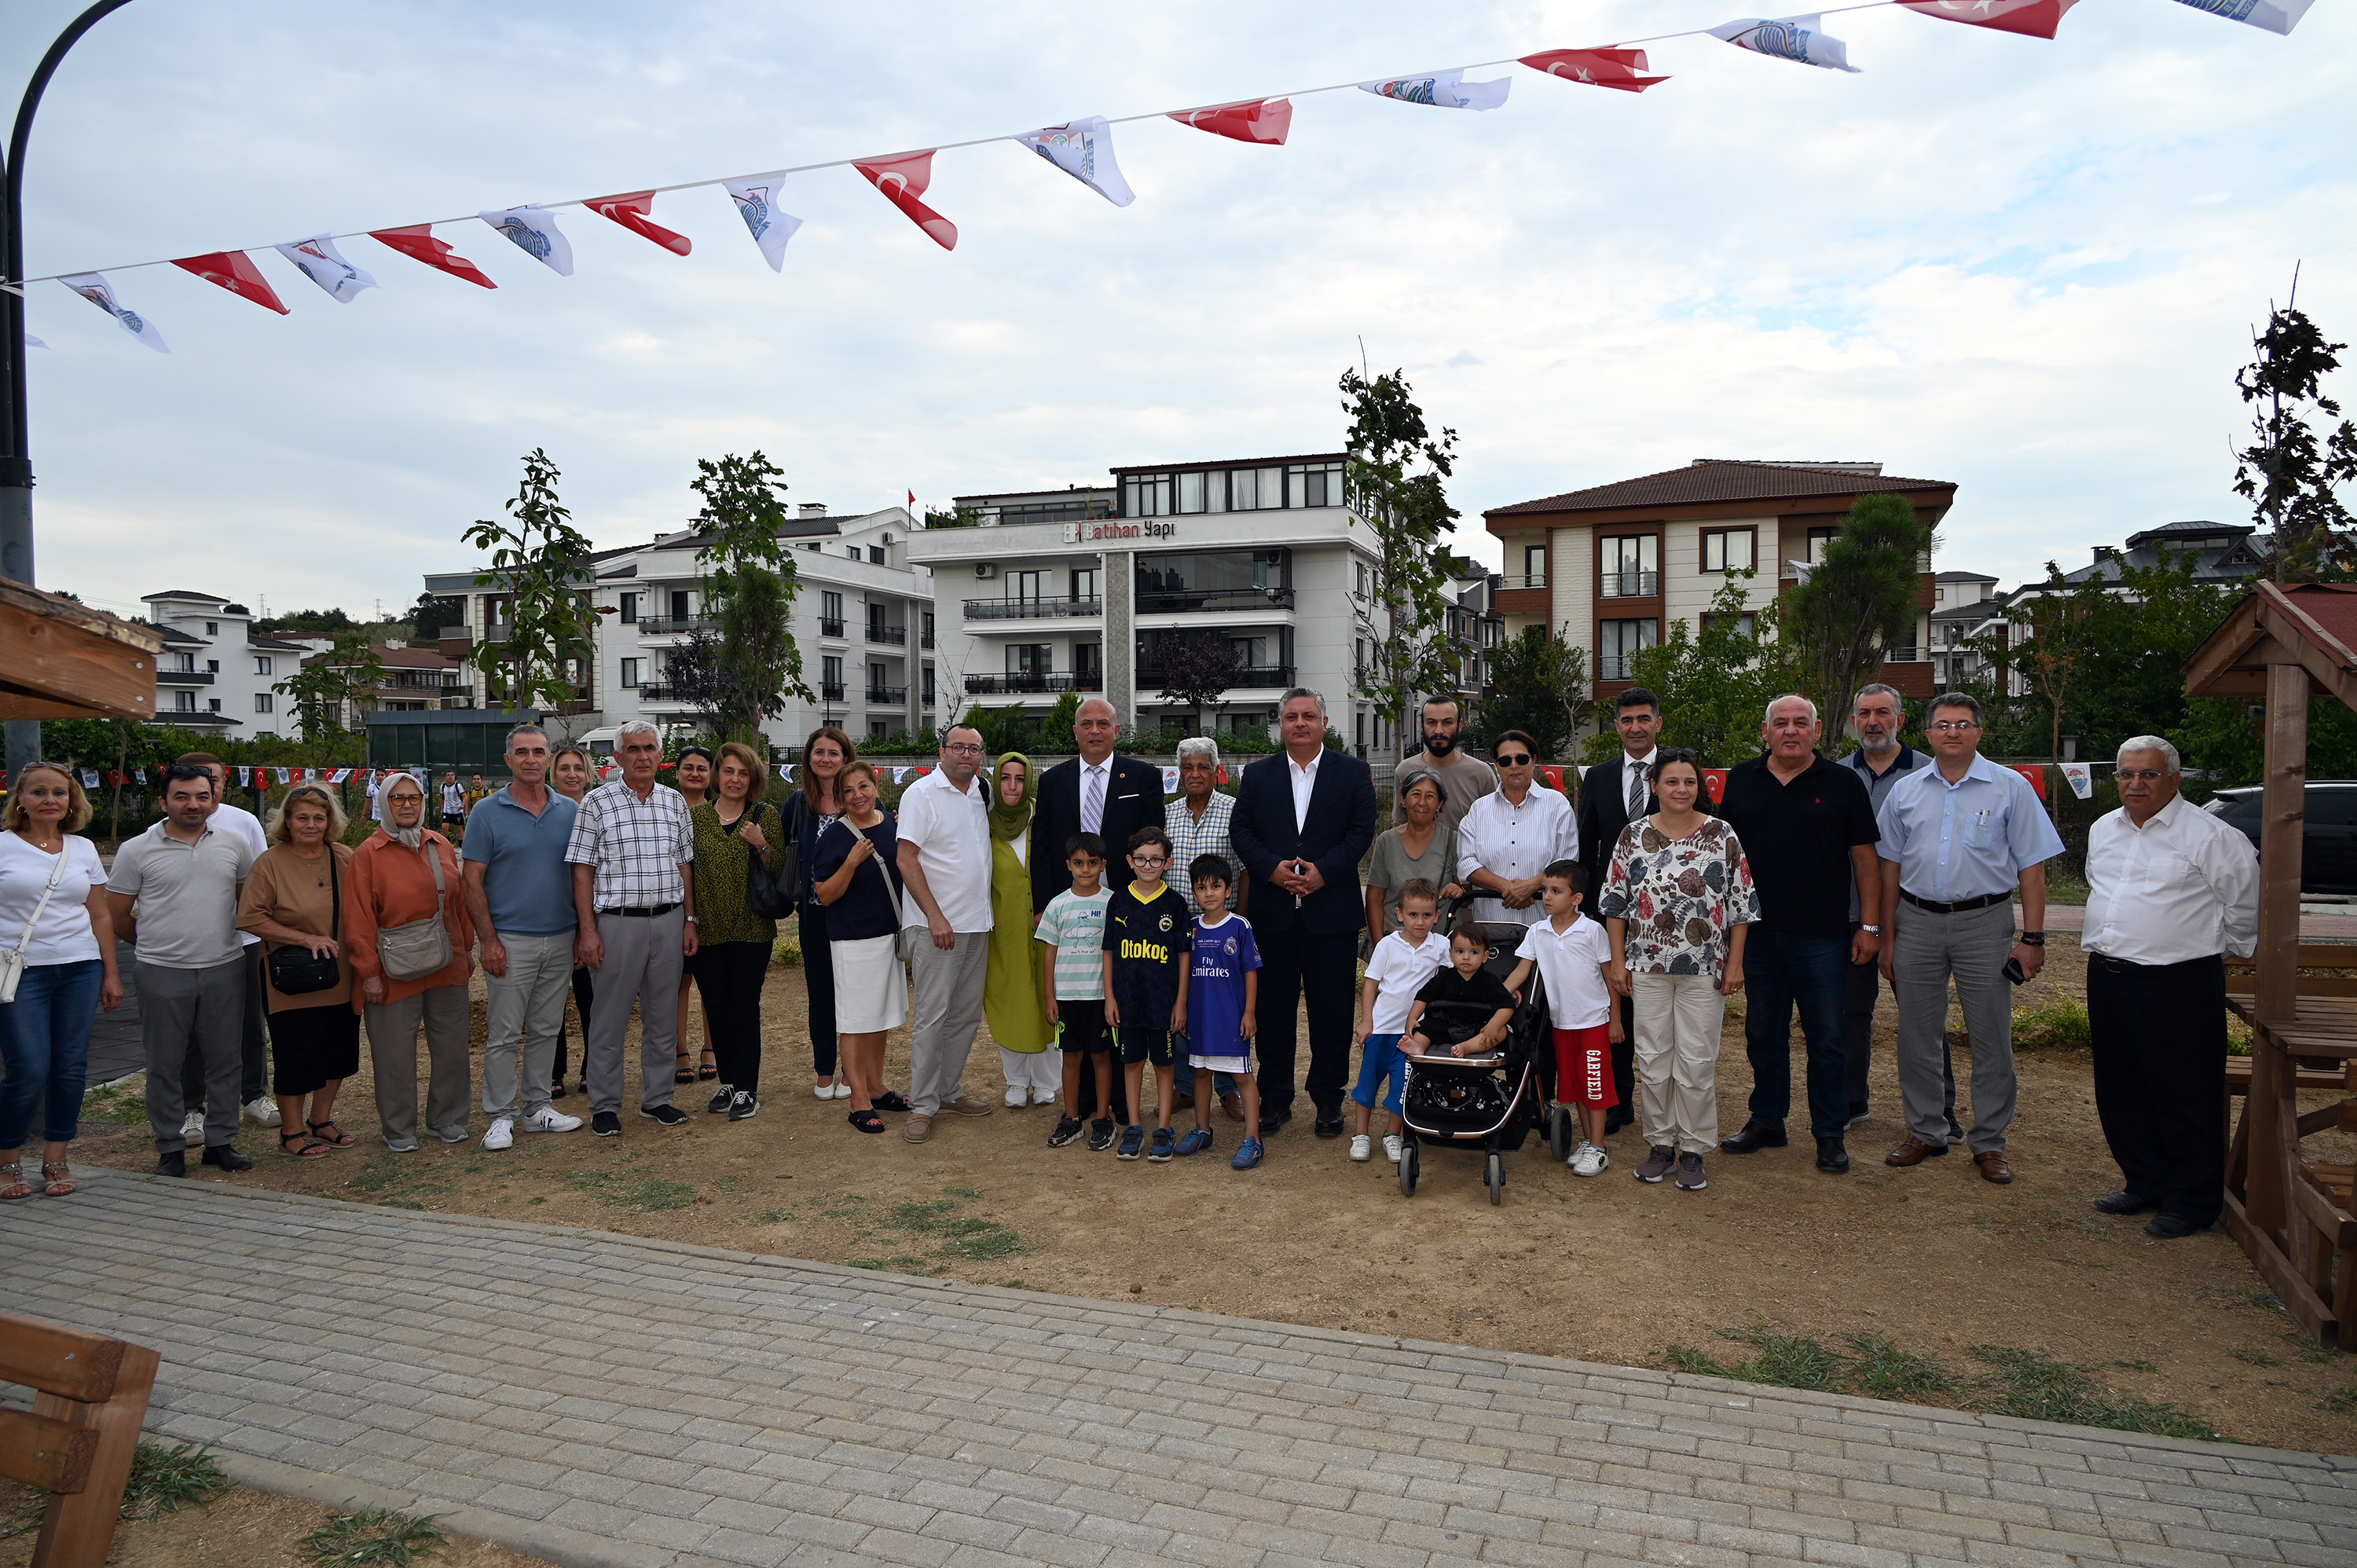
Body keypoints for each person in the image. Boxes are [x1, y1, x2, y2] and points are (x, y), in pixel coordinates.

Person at [1876, 692, 2066, 1184]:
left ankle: (1989, 1142)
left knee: (1990, 1038)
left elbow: (2032, 868)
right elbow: (1889, 867)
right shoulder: (1905, 791)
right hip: (1916, 921)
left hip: (1985, 923)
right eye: (1943, 725)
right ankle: (1927, 1130)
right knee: (1917, 1036)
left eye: (1963, 724)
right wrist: (1889, 937)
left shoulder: (2011, 788)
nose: (1953, 732)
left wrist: (2034, 938)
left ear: (1979, 732)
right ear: (1927, 734)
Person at [2082, 735, 2258, 1238]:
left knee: (2185, 1092)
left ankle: (2191, 1200)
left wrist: (2201, 950)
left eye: (2149, 774)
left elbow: (2245, 908)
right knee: (2121, 1088)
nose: (2135, 783)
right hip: (2110, 975)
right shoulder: (2104, 828)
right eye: (2126, 774)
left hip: (2178, 981)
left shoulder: (2212, 836)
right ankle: (2146, 1182)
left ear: (2175, 779)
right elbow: (2102, 887)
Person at [1716, 695, 1883, 1175]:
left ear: (1818, 730)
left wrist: (1869, 925)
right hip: (1756, 934)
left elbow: (1865, 860)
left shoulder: (1843, 783)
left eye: (1801, 723)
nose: (1791, 730)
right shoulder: (1741, 779)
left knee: (1826, 1038)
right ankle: (1768, 1120)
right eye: (1781, 723)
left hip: (1823, 936)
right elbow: (1724, 858)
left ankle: (1829, 1133)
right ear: (1765, 731)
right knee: (1762, 1033)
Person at [1598, 752, 1758, 1192]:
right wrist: (1617, 962)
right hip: (1646, 967)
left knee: (1696, 1060)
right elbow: (1615, 904)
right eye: (1671, 781)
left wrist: (1735, 963)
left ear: (1700, 787)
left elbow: (1741, 904)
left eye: (1689, 781)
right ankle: (1661, 1144)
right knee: (1653, 1060)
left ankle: (1693, 1149)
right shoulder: (1633, 835)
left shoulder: (1721, 834)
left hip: (1704, 968)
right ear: (1655, 786)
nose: (1681, 790)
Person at [1230, 688, 1378, 1138]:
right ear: (1281, 724)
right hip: (1272, 917)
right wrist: (1270, 870)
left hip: (1330, 916)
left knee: (1332, 1012)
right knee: (1273, 1013)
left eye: (1308, 716)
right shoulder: (1257, 775)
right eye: (1291, 716)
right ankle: (1275, 1099)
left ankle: (1328, 1100)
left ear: (1324, 723)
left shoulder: (1353, 773)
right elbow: (1242, 830)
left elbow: (1361, 831)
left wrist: (1325, 873)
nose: (1300, 723)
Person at [108, 763, 255, 1176]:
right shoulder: (136, 850)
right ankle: (170, 1147)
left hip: (225, 967)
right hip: (162, 971)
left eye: (202, 796)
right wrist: (157, 945)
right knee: (165, 1063)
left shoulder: (234, 844)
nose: (193, 804)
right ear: (163, 802)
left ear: (214, 800)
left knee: (226, 1060)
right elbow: (117, 916)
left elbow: (247, 903)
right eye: (182, 796)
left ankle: (220, 1142)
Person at [1031, 697, 1164, 1123]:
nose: (1094, 730)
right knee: (1081, 1001)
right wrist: (1042, 906)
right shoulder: (1053, 780)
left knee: (1119, 997)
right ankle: (1086, 1096)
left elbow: (1153, 842)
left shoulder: (1143, 777)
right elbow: (1043, 847)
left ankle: (1121, 1098)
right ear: (1075, 731)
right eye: (1086, 723)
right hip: (1071, 911)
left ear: (1117, 730)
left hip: (1127, 908)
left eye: (1103, 723)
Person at [564, 720, 698, 1138]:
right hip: (617, 923)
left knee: (663, 1016)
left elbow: (684, 864)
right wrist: (587, 930)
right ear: (618, 757)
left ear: (661, 755)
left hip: (668, 920)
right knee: (609, 1018)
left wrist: (689, 919)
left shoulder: (674, 802)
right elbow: (582, 870)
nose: (642, 756)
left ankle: (657, 1098)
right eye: (634, 749)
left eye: (649, 748)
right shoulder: (596, 803)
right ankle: (605, 1104)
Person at [460, 724, 586, 1152]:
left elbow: (580, 876)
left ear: (549, 758)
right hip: (510, 941)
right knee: (504, 1033)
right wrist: (489, 941)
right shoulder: (486, 812)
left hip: (561, 937)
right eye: (522, 752)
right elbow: (471, 881)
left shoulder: (570, 811)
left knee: (548, 1028)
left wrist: (581, 932)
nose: (531, 759)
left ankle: (537, 1108)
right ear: (508, 759)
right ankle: (500, 1114)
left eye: (538, 751)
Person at [0, 764, 123, 1200]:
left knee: (70, 1067)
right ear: (20, 799)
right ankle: (8, 1160)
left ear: (72, 800)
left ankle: (56, 1158)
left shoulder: (83, 849)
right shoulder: (3, 847)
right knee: (28, 1067)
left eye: (59, 792)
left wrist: (111, 973)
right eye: (39, 792)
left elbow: (100, 914)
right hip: (21, 972)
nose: (50, 800)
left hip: (80, 967)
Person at [1836, 683, 1948, 1136]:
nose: (1873, 722)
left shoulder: (1931, 773)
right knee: (1850, 1015)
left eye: (1883, 713)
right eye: (1864, 714)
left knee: (1923, 1018)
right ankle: (1851, 1101)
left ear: (1900, 720)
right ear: (1854, 722)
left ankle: (1942, 1111)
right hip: (1851, 913)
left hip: (1916, 914)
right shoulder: (1837, 775)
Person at [347, 772, 477, 1152]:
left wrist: (466, 951)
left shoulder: (440, 844)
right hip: (393, 969)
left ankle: (447, 1118)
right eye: (397, 798)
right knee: (394, 1054)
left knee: (452, 1047)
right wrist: (369, 973)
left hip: (446, 962)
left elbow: (459, 904)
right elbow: (358, 918)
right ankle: (399, 1127)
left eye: (414, 798)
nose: (407, 805)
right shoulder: (368, 854)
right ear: (384, 803)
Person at [237, 785, 362, 1160]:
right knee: (296, 1054)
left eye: (318, 818)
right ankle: (291, 1132)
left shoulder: (344, 857)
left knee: (338, 1053)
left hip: (340, 974)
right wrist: (305, 939)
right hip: (291, 979)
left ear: (329, 822)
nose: (310, 825)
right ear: (287, 822)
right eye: (302, 817)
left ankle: (320, 1121)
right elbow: (249, 918)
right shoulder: (270, 863)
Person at [896, 724, 999, 1143]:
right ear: (942, 752)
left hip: (977, 924)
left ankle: (947, 1090)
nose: (966, 754)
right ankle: (922, 1105)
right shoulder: (921, 794)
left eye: (974, 748)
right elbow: (906, 859)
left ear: (981, 755)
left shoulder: (981, 792)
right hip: (937, 927)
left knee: (965, 1017)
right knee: (932, 1018)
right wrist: (935, 916)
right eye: (958, 747)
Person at [174, 752, 275, 1138]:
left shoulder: (243, 821)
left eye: (213, 780)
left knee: (251, 1022)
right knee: (192, 1030)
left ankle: (255, 1095)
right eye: (196, 783)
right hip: (192, 946)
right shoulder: (163, 830)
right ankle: (191, 1107)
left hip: (244, 940)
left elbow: (261, 879)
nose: (206, 789)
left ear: (223, 781)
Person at [1576, 687, 1662, 1129]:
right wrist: (1586, 908)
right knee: (1616, 1005)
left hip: (1666, 913)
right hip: (1609, 912)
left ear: (1658, 723)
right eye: (1627, 720)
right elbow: (1586, 845)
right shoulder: (1598, 777)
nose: (1635, 727)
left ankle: (1664, 1106)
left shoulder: (1678, 773)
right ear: (1616, 726)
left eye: (1643, 719)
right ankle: (1619, 1101)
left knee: (1658, 1008)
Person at [689, 742, 786, 1123]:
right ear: (717, 775)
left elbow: (779, 872)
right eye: (728, 771)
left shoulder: (764, 815)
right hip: (709, 929)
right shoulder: (696, 818)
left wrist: (762, 845)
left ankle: (747, 1087)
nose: (735, 779)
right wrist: (690, 920)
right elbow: (686, 872)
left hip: (752, 930)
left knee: (744, 1008)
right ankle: (728, 1081)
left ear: (753, 779)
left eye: (743, 773)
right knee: (717, 1008)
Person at [1505, 862, 1623, 1178]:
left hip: (1594, 1022)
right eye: (1545, 890)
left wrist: (1615, 1020)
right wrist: (1497, 997)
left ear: (1576, 898)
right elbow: (1521, 972)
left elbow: (1610, 977)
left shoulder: (1592, 931)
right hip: (1562, 1024)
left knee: (1594, 1085)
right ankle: (1589, 1141)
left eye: (1556, 891)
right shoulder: (1537, 931)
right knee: (1577, 1085)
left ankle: (1599, 1149)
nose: (1547, 896)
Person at [811, 760, 908, 1134]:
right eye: (848, 791)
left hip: (888, 935)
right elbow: (825, 894)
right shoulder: (835, 837)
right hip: (854, 940)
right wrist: (851, 863)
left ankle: (877, 1086)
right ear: (840, 798)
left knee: (880, 1016)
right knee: (856, 1021)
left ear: (876, 787)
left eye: (863, 787)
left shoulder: (892, 824)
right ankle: (858, 1099)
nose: (857, 795)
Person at [1165, 737, 1245, 1119]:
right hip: (1178, 930)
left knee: (1224, 1008)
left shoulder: (1235, 811)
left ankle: (1228, 1088)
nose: (1195, 774)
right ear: (1180, 773)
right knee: (1182, 1005)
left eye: (1203, 767)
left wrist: (1238, 921)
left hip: (1221, 928)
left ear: (1216, 771)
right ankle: (1185, 1086)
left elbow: (1246, 870)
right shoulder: (1167, 814)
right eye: (1188, 768)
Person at [1103, 824, 1191, 1163]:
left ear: (1168, 863)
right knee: (1132, 1062)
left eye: (1156, 859)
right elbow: (1109, 951)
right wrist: (1110, 997)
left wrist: (1181, 1002)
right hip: (1128, 1001)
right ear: (1130, 861)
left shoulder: (1175, 904)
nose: (1148, 865)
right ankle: (1135, 1127)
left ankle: (1164, 1128)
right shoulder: (1119, 901)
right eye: (1141, 859)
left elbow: (1184, 955)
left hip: (1163, 1002)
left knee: (1164, 1064)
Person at [1349, 877, 1449, 1166]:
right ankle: (1361, 1135)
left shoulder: (1442, 946)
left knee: (1402, 1087)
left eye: (1427, 915)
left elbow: (1458, 975)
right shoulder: (1387, 945)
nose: (1420, 922)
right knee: (1368, 1083)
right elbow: (1370, 984)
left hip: (1413, 1035)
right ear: (1400, 914)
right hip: (1382, 1029)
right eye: (1413, 914)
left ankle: (1392, 1135)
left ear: (1437, 916)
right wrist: (1367, 1022)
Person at [783, 726, 856, 1100]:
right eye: (819, 752)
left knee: (854, 996)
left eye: (833, 753)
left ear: (846, 759)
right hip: (814, 917)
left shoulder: (860, 800)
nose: (826, 759)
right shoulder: (798, 804)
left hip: (856, 918)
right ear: (809, 759)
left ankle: (852, 1071)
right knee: (821, 995)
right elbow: (785, 853)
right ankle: (825, 1070)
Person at [984, 754, 1058, 1108]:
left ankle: (1046, 1081)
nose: (1012, 786)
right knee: (1009, 999)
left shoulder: (1042, 816)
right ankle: (1016, 1080)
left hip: (1046, 926)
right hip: (1005, 929)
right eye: (1005, 778)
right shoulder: (983, 823)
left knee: (1047, 998)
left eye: (1019, 778)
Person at [1178, 854, 1260, 1166]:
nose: (1209, 893)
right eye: (1201, 888)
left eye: (1216, 886)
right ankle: (1202, 1130)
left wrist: (1249, 1012)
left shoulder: (1239, 926)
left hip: (1230, 1019)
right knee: (1201, 1073)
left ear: (1229, 890)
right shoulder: (1191, 929)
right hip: (1201, 1019)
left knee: (1242, 1076)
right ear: (1194, 892)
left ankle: (1253, 1139)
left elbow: (1251, 971)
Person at [1457, 728, 1578, 932]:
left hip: (1547, 927)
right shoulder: (1479, 809)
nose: (1514, 766)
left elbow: (1567, 862)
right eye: (1505, 761)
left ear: (1534, 759)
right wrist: (1509, 888)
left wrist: (1531, 886)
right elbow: (1466, 863)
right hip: (1491, 927)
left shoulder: (1557, 805)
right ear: (1496, 765)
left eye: (1522, 759)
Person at [1039, 833, 1116, 1152]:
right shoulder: (1057, 905)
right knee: (1070, 1058)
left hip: (1099, 997)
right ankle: (1071, 1118)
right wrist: (1050, 996)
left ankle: (1103, 1119)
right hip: (1067, 997)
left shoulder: (1113, 902)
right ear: (1069, 865)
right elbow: (1050, 953)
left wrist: (1113, 996)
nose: (1086, 870)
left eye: (1092, 863)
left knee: (1101, 1056)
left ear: (1103, 865)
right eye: (1079, 863)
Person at [547, 746, 596, 1100]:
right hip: (554, 919)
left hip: (591, 919)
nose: (572, 774)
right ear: (554, 774)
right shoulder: (546, 812)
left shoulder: (598, 809)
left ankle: (593, 1067)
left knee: (592, 1000)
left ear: (588, 774)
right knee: (551, 1003)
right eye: (564, 768)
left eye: (578, 768)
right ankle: (553, 1070)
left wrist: (586, 927)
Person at [670, 745, 719, 1089]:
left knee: (711, 982)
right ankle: (680, 1051)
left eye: (702, 768)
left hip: (712, 907)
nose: (695, 773)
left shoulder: (719, 812)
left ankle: (711, 1048)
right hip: (674, 908)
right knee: (679, 981)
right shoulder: (665, 808)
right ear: (677, 772)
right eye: (688, 767)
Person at [1365, 772, 1464, 942]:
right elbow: (1375, 897)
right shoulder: (1386, 841)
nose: (1422, 802)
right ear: (1403, 800)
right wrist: (1380, 945)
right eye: (1416, 794)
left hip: (1440, 943)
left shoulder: (1452, 840)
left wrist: (1459, 890)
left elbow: (1465, 893)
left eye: (1430, 796)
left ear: (1440, 804)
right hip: (1395, 940)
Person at [1391, 694, 1497, 841]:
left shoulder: (1482, 774)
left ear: (1460, 726)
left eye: (1447, 723)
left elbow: (1494, 829)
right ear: (1422, 726)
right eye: (1431, 722)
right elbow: (1400, 826)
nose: (1439, 731)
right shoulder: (1404, 770)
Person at [1403, 928, 1517, 1057]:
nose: (1466, 957)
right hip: (1447, 1025)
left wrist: (1493, 1025)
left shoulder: (1490, 981)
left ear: (1485, 956)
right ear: (1451, 953)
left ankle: (1466, 1048)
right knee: (1425, 1027)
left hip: (1479, 1027)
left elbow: (1507, 1005)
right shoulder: (1444, 977)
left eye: (1474, 952)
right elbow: (1423, 996)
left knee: (1501, 1031)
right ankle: (1419, 1045)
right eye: (1460, 951)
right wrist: (1412, 1018)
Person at [438, 770, 467, 836]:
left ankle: (461, 842)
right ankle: (447, 841)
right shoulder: (443, 787)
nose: (450, 777)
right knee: (444, 827)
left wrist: (463, 805)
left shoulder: (458, 786)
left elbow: (465, 796)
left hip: (457, 810)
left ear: (454, 777)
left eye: (452, 775)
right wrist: (442, 808)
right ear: (445, 778)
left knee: (459, 828)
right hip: (447, 810)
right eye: (448, 775)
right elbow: (441, 798)